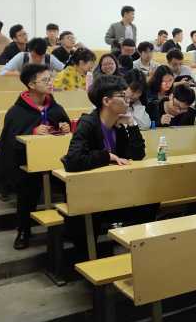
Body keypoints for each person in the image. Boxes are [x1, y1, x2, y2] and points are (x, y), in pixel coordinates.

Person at [62, 75, 156, 252]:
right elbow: (73, 160)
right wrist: (108, 156)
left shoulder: (117, 126)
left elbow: (137, 155)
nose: (127, 100)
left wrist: (131, 124)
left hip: (113, 188)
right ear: (106, 101)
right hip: (89, 193)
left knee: (150, 200)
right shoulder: (88, 123)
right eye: (122, 96)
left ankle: (139, 251)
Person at [0, 64, 70, 249]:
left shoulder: (54, 106)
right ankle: (23, 230)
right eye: (45, 80)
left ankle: (71, 227)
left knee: (72, 183)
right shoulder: (17, 111)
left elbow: (63, 124)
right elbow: (10, 141)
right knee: (27, 190)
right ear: (31, 84)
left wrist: (65, 127)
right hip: (27, 164)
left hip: (55, 161)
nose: (50, 83)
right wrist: (32, 131)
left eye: (50, 79)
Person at [0, 37, 65, 76]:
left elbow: (65, 70)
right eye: (34, 56)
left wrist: (54, 75)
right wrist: (20, 74)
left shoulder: (50, 58)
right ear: (29, 50)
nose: (38, 59)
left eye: (41, 56)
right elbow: (3, 72)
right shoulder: (21, 57)